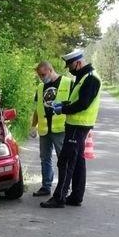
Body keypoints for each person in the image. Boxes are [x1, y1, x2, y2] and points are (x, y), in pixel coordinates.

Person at [40, 48, 101, 209]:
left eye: (71, 66)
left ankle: (59, 197)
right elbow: (76, 100)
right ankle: (75, 196)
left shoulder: (91, 79)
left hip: (77, 126)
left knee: (66, 161)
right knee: (78, 161)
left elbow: (83, 104)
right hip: (77, 125)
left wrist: (63, 109)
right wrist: (64, 104)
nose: (70, 70)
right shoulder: (83, 77)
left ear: (79, 63)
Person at [29, 61, 73, 196]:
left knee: (63, 159)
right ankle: (46, 186)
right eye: (39, 75)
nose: (42, 77)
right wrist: (33, 126)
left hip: (61, 129)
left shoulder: (67, 83)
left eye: (43, 74)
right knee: (45, 159)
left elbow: (73, 105)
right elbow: (38, 109)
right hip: (44, 129)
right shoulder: (41, 87)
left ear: (50, 69)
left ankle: (64, 188)